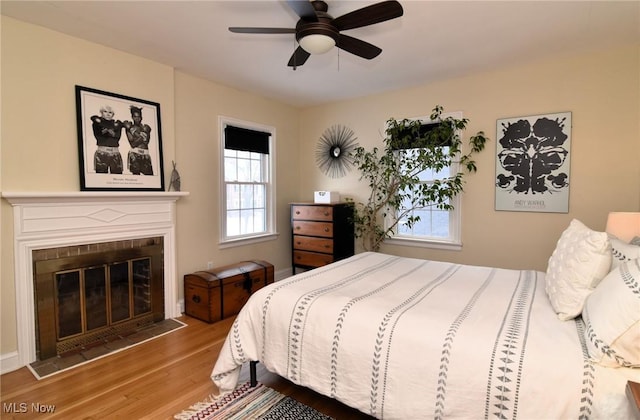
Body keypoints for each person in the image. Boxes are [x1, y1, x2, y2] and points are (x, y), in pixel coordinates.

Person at [91, 105, 124, 174]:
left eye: (110, 112)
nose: (108, 114)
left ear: (113, 114)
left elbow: (117, 136)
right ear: (101, 113)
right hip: (102, 152)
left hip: (115, 153)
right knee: (101, 178)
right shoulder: (97, 123)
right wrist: (109, 130)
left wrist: (110, 130)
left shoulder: (117, 124)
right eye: (105, 111)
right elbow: (100, 134)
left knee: (117, 177)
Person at [123, 106, 153, 175]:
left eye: (139, 116)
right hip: (135, 155)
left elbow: (146, 142)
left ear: (141, 117)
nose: (137, 118)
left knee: (150, 179)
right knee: (137, 179)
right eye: (135, 116)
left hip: (145, 155)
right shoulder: (129, 127)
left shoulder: (145, 127)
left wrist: (136, 134)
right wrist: (142, 136)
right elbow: (133, 144)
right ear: (132, 117)